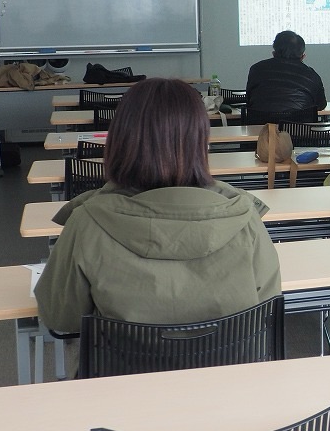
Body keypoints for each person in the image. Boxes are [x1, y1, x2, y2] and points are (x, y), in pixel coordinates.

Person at [35, 78, 281, 334]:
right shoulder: (244, 217)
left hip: (123, 371)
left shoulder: (86, 222)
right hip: (227, 370)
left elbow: (60, 318)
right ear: (199, 142)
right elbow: (267, 306)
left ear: (121, 140)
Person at [245, 30, 326, 123]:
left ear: (274, 53)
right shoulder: (312, 75)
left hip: (260, 132)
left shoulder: (256, 69)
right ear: (303, 57)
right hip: (300, 134)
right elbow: (321, 105)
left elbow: (249, 102)